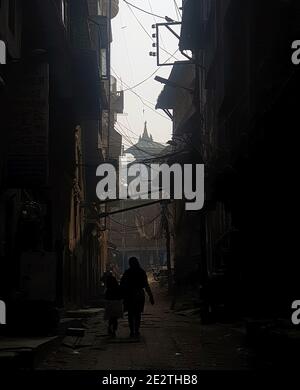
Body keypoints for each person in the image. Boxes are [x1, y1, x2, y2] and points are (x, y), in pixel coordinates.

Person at [120, 257, 154, 337]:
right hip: (139, 294)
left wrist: (121, 295)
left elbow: (122, 285)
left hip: (129, 295)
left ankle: (132, 331)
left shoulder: (127, 272)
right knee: (138, 313)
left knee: (130, 314)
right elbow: (146, 285)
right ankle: (137, 330)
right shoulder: (141, 272)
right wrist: (150, 296)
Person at [104, 273, 123, 337]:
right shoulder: (117, 288)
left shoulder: (108, 290)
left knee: (111, 318)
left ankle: (110, 329)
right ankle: (114, 330)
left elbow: (106, 297)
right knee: (115, 319)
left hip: (110, 305)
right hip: (116, 305)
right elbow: (120, 295)